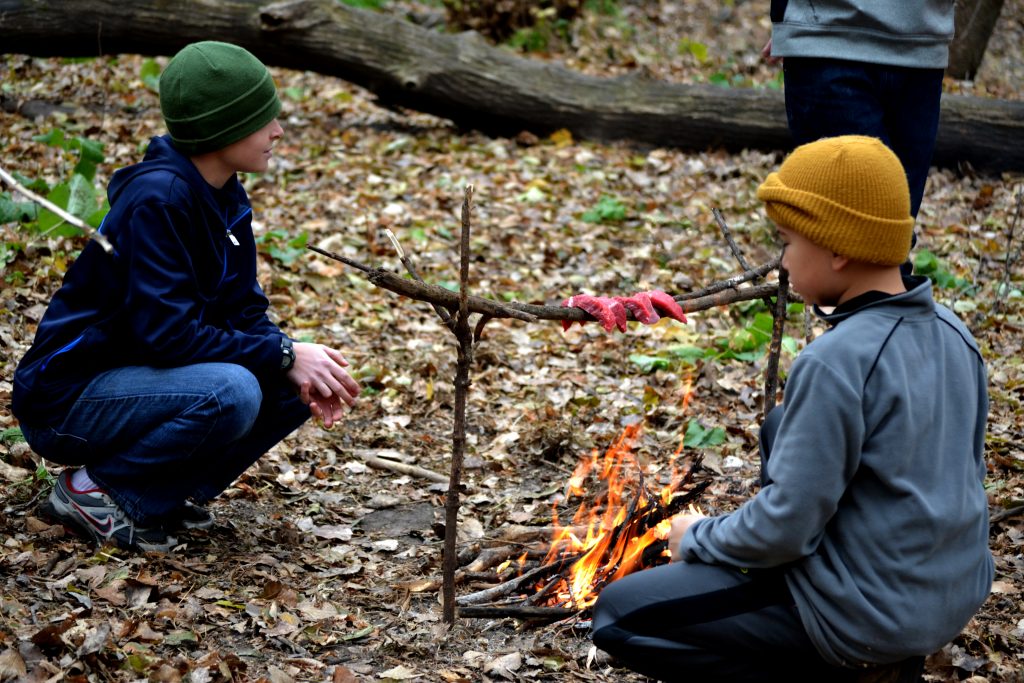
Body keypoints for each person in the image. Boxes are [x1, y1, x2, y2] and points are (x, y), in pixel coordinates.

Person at [591, 136, 993, 681]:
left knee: (620, 615)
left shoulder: (837, 359)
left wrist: (699, 536)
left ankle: (846, 667)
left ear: (838, 248)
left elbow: (785, 532)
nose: (781, 259)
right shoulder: (954, 333)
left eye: (786, 241)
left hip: (867, 613)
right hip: (946, 595)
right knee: (783, 425)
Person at [12, 41, 361, 553]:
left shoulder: (222, 192)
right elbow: (167, 336)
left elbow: (244, 310)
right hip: (66, 401)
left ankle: (157, 497)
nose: (279, 131)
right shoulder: (157, 200)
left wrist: (292, 356)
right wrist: (282, 353)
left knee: (297, 379)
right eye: (265, 119)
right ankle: (99, 492)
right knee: (235, 389)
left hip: (140, 385)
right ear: (222, 128)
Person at [764, 0, 955, 219]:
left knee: (891, 231)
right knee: (850, 228)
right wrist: (791, 21)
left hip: (924, 46)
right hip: (824, 37)